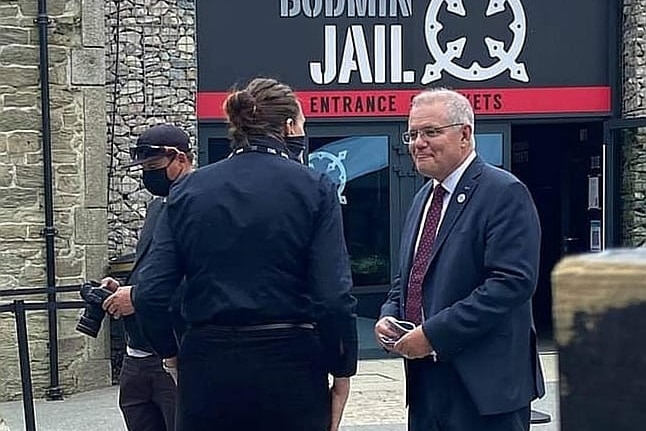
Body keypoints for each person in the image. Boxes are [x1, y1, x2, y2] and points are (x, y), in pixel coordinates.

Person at [132, 77, 358, 431]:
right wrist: (342, 368)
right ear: (287, 127)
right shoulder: (314, 188)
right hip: (291, 364)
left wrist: (171, 354)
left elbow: (150, 292)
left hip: (208, 362)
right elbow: (333, 297)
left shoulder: (189, 190)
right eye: (301, 124)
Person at [374, 88, 545, 431]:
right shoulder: (424, 196)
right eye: (412, 134)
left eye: (431, 132)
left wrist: (434, 335)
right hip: (427, 385)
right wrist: (390, 315)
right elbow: (410, 277)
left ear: (465, 134)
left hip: (484, 391)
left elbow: (511, 284)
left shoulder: (503, 192)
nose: (417, 143)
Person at [101, 123, 193, 431]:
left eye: (153, 167)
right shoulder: (157, 207)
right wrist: (125, 289)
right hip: (136, 356)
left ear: (179, 158)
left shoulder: (200, 204)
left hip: (174, 354)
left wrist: (136, 297)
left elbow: (196, 278)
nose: (147, 176)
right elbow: (157, 270)